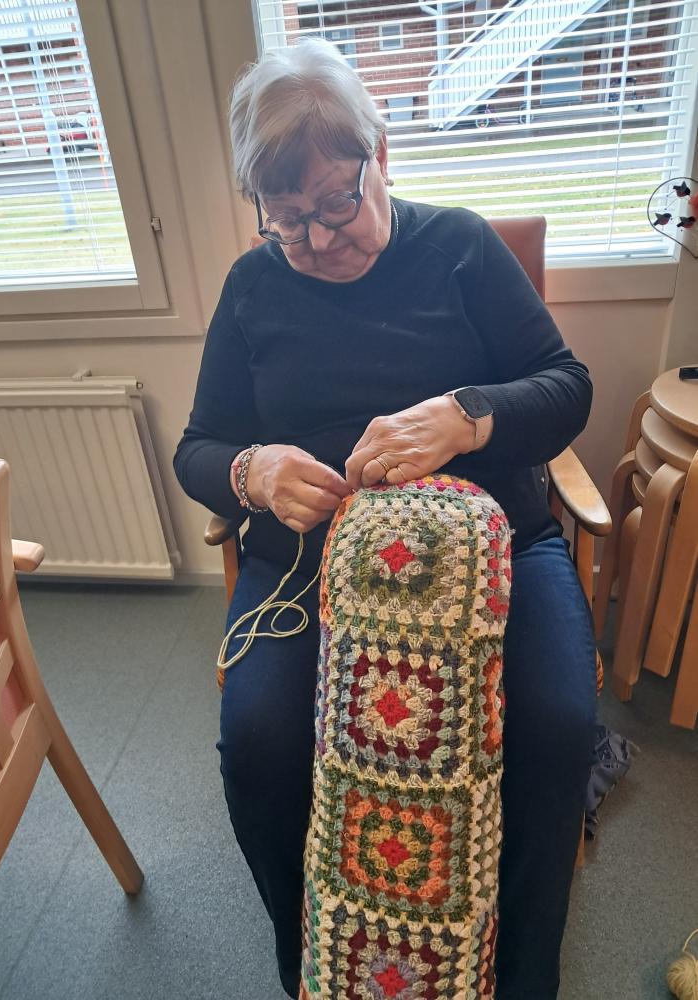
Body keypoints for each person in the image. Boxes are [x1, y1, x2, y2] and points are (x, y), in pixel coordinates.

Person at [173, 38, 597, 1000]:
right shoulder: (251, 288)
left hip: (496, 551)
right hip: (307, 566)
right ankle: (316, 964)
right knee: (261, 745)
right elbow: (197, 448)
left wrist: (467, 416)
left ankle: (520, 975)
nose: (319, 240)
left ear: (383, 155)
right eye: (287, 219)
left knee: (556, 726)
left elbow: (567, 387)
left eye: (336, 203)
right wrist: (252, 470)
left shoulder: (460, 247)